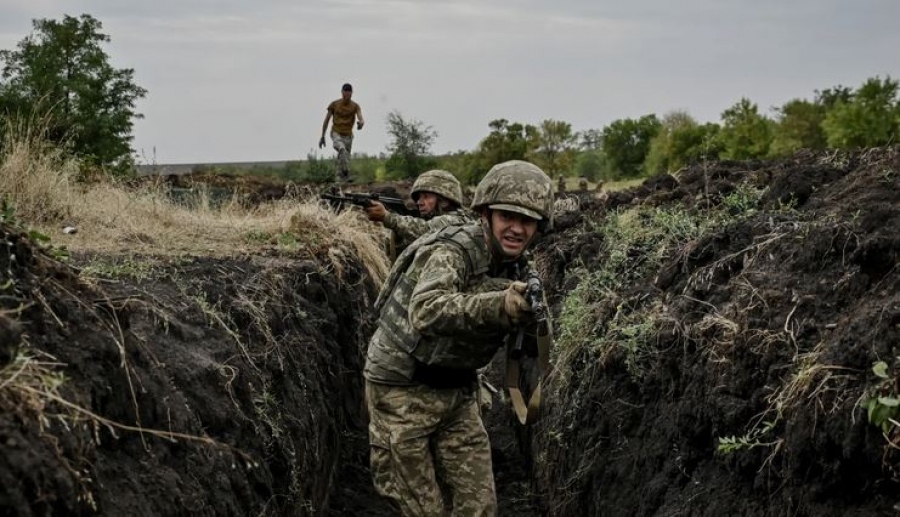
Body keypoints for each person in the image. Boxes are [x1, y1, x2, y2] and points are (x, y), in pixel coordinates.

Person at [364, 160, 554, 516]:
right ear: (486, 214)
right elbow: (426, 310)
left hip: (456, 390)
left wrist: (530, 319)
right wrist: (500, 305)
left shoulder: (517, 266)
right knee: (424, 510)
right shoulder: (454, 250)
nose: (516, 228)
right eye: (507, 217)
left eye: (527, 221)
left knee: (479, 507)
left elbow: (530, 343)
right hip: (402, 389)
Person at [363, 169, 474, 253]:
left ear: (444, 201)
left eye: (426, 197)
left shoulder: (455, 221)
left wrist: (387, 217)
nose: (419, 202)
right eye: (419, 197)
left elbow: (425, 230)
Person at [319, 83, 364, 183]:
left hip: (348, 136)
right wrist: (322, 136)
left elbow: (361, 118)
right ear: (342, 93)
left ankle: (338, 182)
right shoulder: (334, 105)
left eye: (349, 94)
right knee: (342, 149)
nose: (346, 97)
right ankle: (347, 174)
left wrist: (361, 123)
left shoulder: (355, 106)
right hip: (336, 134)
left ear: (351, 94)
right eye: (345, 94)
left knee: (344, 159)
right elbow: (326, 120)